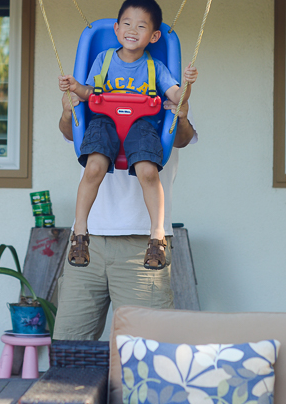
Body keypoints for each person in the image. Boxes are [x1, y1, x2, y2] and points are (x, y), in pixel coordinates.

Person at [59, 0, 197, 270]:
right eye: (127, 24)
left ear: (155, 36)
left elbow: (177, 97)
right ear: (116, 29)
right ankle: (81, 233)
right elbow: (89, 93)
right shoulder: (103, 59)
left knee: (148, 171)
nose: (133, 30)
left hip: (141, 126)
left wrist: (188, 85)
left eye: (141, 26)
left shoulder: (155, 68)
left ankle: (156, 236)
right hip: (104, 123)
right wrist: (74, 87)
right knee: (94, 167)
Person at [53, 88, 197, 341]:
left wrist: (182, 118)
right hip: (87, 241)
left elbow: (182, 138)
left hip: (144, 243)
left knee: (147, 347)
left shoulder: (167, 88)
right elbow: (70, 132)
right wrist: (67, 111)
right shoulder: (97, 87)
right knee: (70, 342)